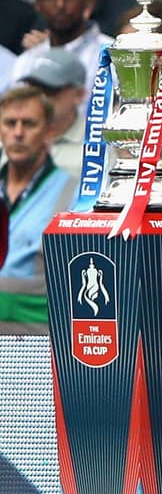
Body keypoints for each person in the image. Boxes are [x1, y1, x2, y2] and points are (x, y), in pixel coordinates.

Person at [0, 84, 77, 333]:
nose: (18, 133)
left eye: (29, 124)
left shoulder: (74, 195)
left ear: (49, 132)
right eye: (10, 123)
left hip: (36, 343)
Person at [19, 49, 87, 179]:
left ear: (79, 95)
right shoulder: (9, 136)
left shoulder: (97, 147)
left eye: (49, 91)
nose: (39, 98)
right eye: (32, 90)